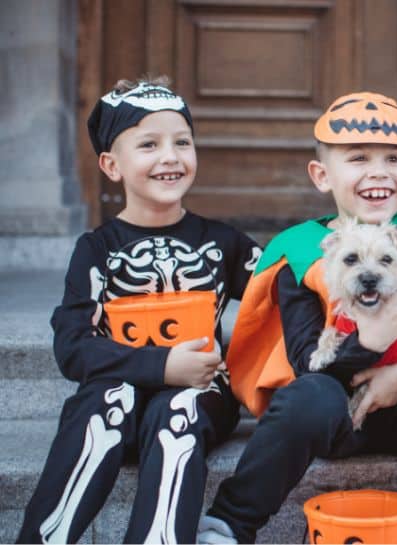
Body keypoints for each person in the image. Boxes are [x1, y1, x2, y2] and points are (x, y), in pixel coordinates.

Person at [197, 91, 397, 544]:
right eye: (358, 158)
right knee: (308, 394)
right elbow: (305, 361)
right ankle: (230, 523)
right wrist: (370, 343)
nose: (378, 172)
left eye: (394, 159)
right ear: (322, 175)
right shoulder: (300, 253)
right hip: (337, 417)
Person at [16, 77, 261, 544]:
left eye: (182, 142)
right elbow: (72, 347)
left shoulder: (223, 242)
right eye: (149, 144)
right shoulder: (96, 250)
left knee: (180, 409)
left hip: (198, 393)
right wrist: (161, 364)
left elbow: (279, 290)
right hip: (118, 393)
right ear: (112, 164)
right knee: (106, 400)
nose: (170, 156)